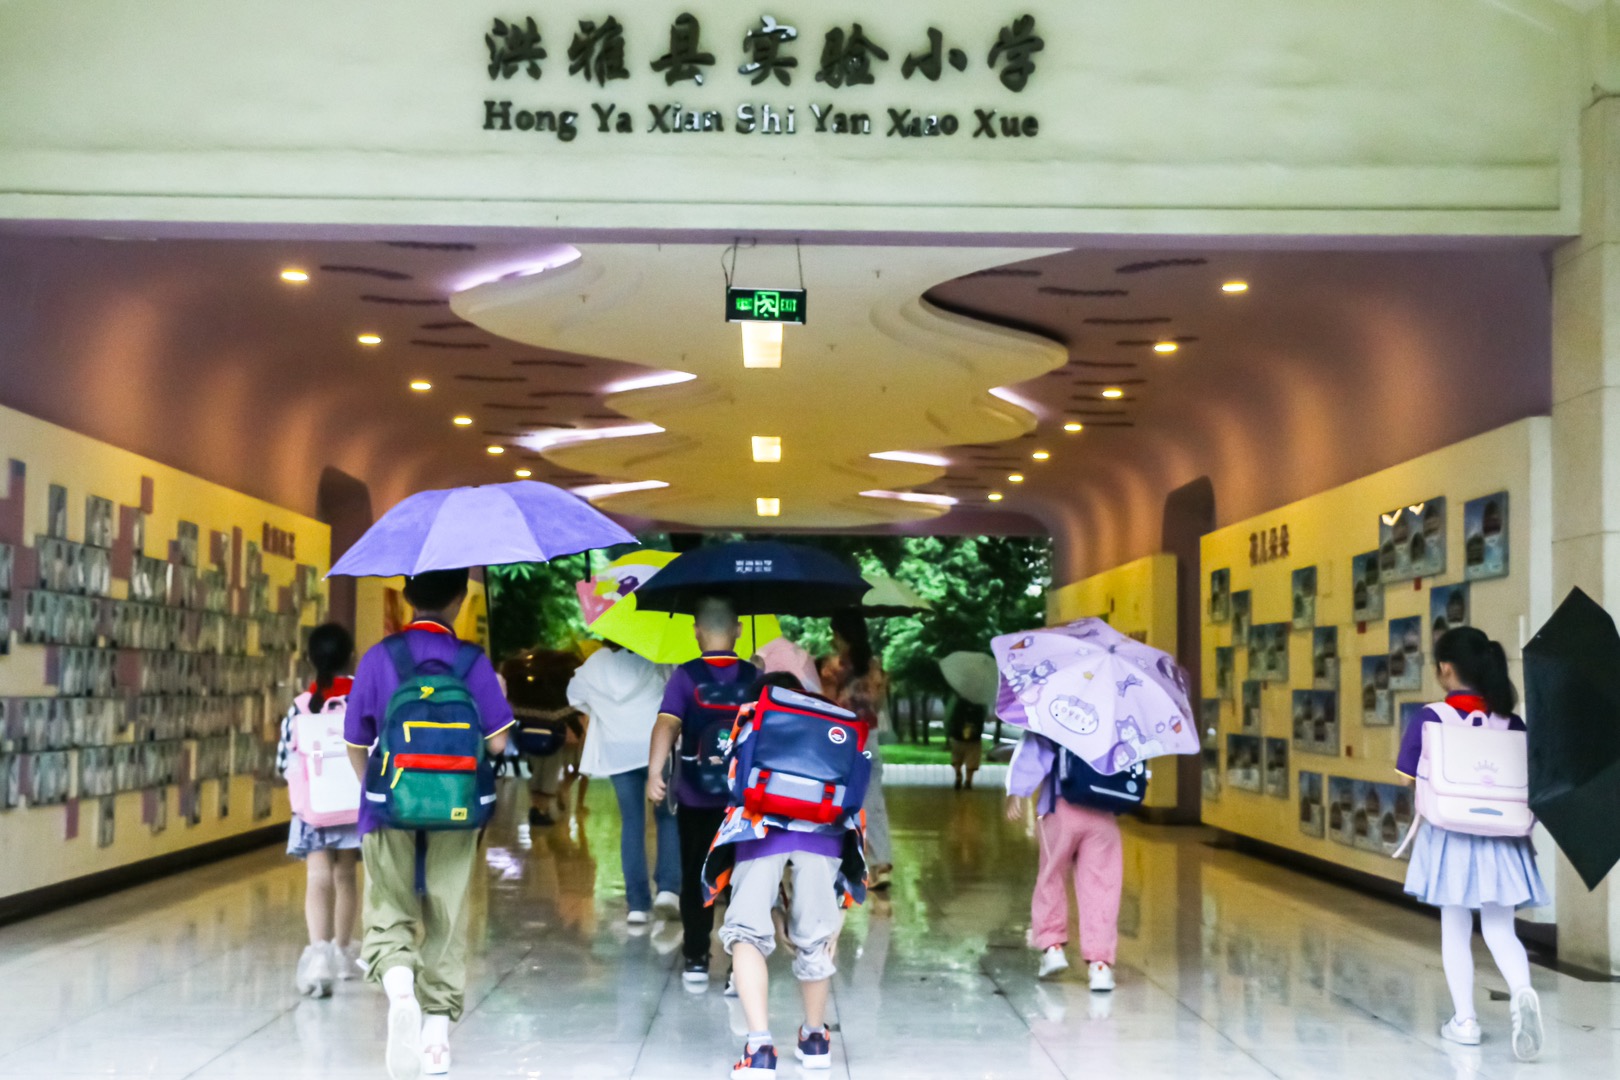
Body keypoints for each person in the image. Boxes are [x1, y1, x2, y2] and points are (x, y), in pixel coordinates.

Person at [344, 568, 514, 1079]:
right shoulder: (472, 661)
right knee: (448, 909)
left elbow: (355, 740)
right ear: (460, 600)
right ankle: (436, 1039)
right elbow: (498, 744)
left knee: (388, 905)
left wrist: (376, 791)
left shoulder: (380, 657)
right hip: (458, 809)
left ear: (407, 595)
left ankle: (401, 991)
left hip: (388, 805)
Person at [703, 673, 868, 1078]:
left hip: (759, 831)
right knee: (815, 936)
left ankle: (759, 1049)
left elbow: (735, 781)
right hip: (825, 835)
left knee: (745, 932)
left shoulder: (753, 715)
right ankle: (815, 1039)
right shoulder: (831, 723)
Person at [1397, 626, 1545, 1061]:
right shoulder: (1512, 723)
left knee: (1456, 927)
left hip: (1451, 836)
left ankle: (1465, 1021)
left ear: (1446, 669)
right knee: (1501, 929)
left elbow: (1408, 777)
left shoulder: (1430, 718)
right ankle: (1522, 990)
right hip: (1504, 838)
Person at [647, 596, 758, 988]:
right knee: (742, 880)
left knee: (697, 876)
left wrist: (655, 771)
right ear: (738, 630)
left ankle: (696, 957)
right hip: (743, 801)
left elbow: (667, 724)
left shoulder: (686, 676)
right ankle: (738, 968)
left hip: (695, 795)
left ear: (696, 632)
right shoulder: (754, 676)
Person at [567, 640, 680, 926]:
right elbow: (676, 693)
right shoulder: (657, 658)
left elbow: (573, 695)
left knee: (632, 822)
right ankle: (668, 890)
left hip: (617, 751)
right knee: (667, 816)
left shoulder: (597, 663)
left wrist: (601, 710)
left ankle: (637, 906)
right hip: (658, 747)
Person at [277, 622, 361, 998]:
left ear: (311, 660)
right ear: (352, 657)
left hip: (314, 808)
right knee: (346, 876)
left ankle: (319, 957)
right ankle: (342, 953)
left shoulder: (301, 706)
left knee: (318, 877)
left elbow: (285, 761)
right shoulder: (363, 699)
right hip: (354, 805)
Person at [1005, 730, 1123, 991]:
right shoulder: (1114, 713)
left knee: (1052, 876)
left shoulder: (1053, 714)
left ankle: (1053, 947)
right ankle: (1100, 966)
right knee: (1102, 887)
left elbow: (1034, 752)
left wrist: (1017, 791)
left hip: (1061, 807)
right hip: (1103, 812)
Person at [823, 609, 892, 890]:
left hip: (845, 740)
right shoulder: (874, 666)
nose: (832, 640)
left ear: (841, 635)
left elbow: (828, 704)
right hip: (870, 737)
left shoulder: (834, 667)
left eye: (834, 634)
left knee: (840, 804)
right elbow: (879, 704)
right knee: (874, 803)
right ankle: (881, 864)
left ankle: (837, 865)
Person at [501, 648, 583, 828]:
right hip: (552, 739)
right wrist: (577, 731)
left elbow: (512, 711)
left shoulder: (521, 686)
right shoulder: (557, 687)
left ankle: (537, 808)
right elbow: (567, 712)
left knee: (534, 774)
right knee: (549, 774)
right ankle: (540, 810)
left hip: (527, 737)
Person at [947, 696, 987, 791]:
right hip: (974, 738)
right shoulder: (979, 704)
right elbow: (982, 719)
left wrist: (950, 732)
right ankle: (968, 781)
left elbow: (952, 719)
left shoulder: (958, 704)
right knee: (972, 760)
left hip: (958, 737)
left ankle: (958, 774)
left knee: (957, 757)